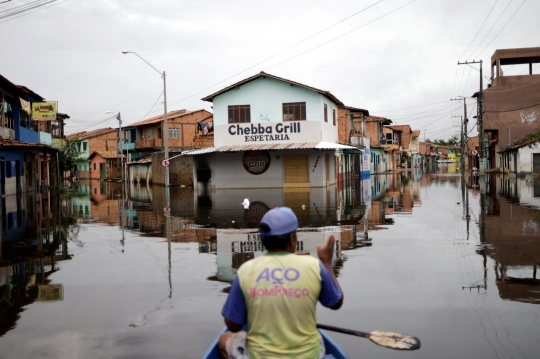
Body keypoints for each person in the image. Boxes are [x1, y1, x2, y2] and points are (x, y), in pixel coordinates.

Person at [219, 207, 343, 359]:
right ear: (292, 238)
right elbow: (336, 302)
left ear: (263, 241)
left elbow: (233, 325)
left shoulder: (246, 270)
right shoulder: (314, 266)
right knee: (317, 340)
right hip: (309, 356)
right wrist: (327, 264)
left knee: (224, 340)